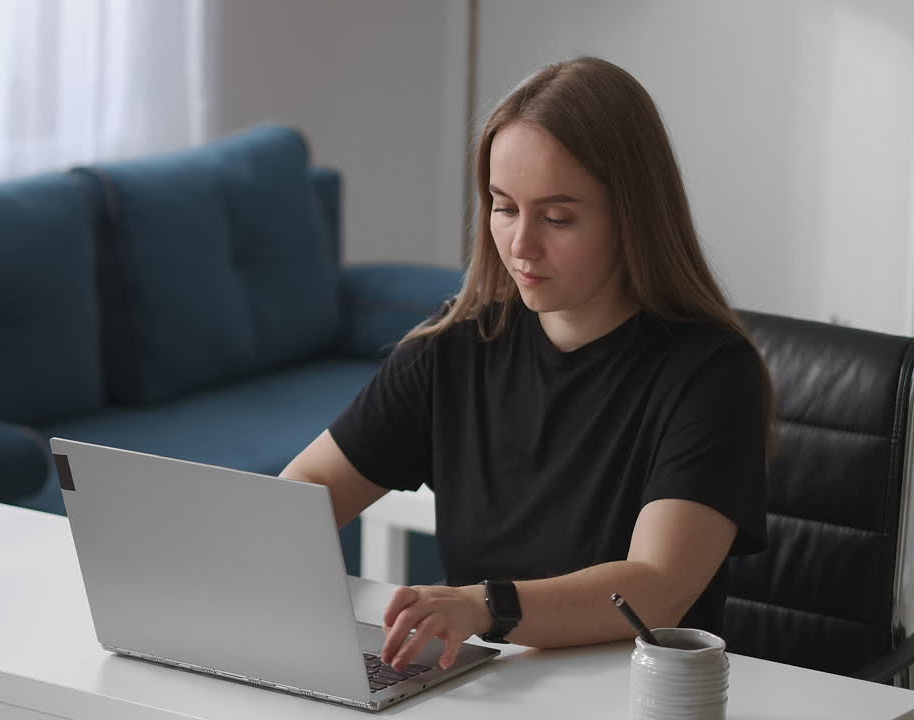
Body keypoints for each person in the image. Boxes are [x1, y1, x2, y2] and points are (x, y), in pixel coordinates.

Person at [281, 56, 771, 674]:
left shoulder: (712, 376)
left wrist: (485, 607)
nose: (519, 245)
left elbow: (656, 587)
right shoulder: (450, 351)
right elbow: (296, 503)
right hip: (482, 690)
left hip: (627, 697)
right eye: (504, 206)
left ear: (633, 217)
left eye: (557, 217)